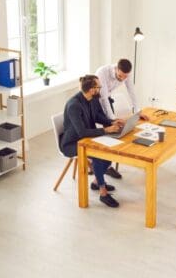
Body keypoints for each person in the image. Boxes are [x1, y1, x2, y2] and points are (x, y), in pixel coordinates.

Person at [60, 75, 125, 208]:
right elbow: (82, 132)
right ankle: (103, 193)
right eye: (98, 87)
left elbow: (97, 116)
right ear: (91, 89)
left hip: (88, 138)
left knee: (109, 150)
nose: (100, 89)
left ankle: (96, 181)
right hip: (73, 143)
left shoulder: (93, 99)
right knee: (97, 156)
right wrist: (107, 130)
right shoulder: (74, 105)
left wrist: (112, 122)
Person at [94, 58, 148, 179]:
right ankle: (102, 166)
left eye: (125, 77)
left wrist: (137, 111)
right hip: (95, 100)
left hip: (107, 98)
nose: (123, 79)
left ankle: (105, 164)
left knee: (115, 132)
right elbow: (103, 99)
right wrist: (112, 120)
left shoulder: (126, 74)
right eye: (120, 76)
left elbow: (131, 91)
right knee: (108, 133)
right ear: (116, 69)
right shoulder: (102, 73)